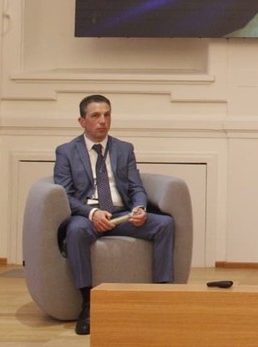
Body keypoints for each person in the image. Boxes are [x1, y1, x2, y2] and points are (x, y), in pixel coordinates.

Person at [53, 94, 175, 336]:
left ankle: (161, 296)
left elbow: (136, 187)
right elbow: (65, 195)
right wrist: (92, 212)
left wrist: (139, 207)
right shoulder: (66, 151)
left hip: (122, 213)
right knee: (75, 231)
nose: (103, 121)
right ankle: (87, 305)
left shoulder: (124, 148)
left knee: (165, 224)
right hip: (88, 216)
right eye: (95, 115)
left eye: (107, 115)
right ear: (82, 121)